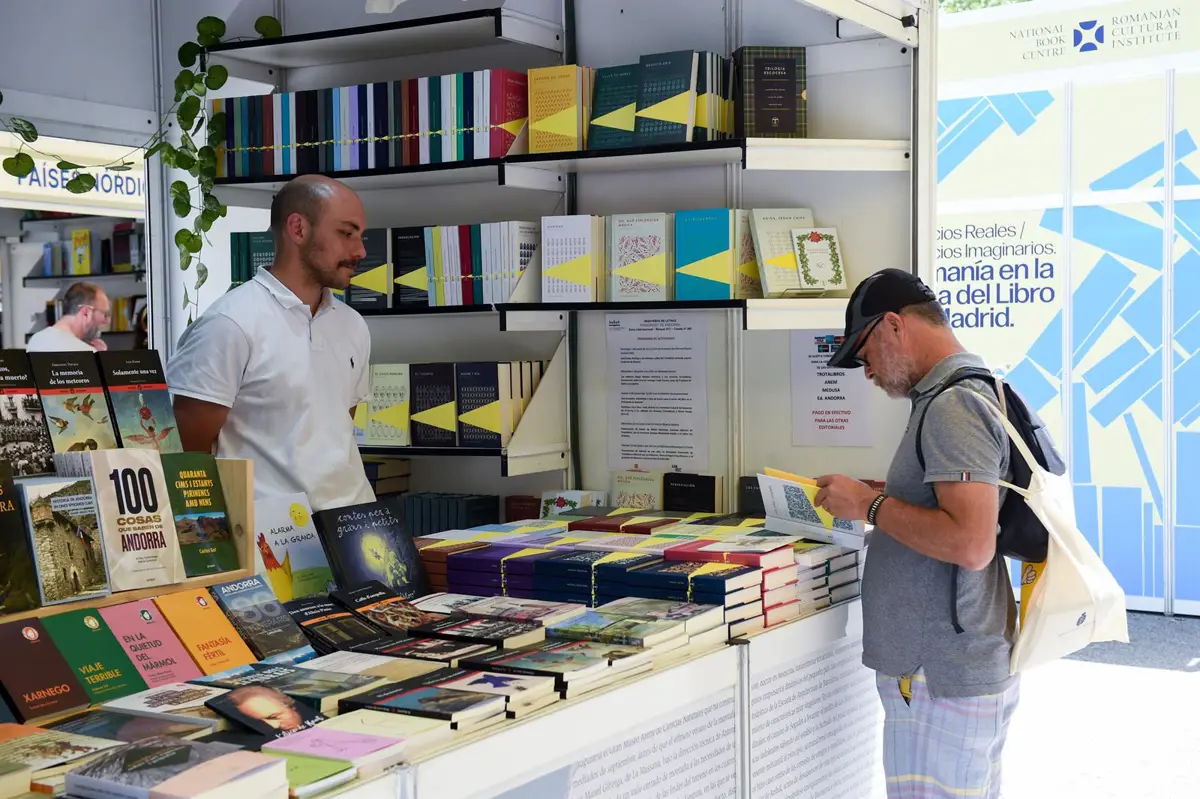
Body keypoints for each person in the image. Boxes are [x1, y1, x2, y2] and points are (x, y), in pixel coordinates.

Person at [814, 268, 1022, 799]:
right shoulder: (962, 392)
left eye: (864, 354)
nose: (866, 372)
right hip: (945, 665)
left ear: (892, 326)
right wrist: (886, 493)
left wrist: (870, 504)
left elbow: (972, 544)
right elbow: (960, 505)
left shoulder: (954, 405)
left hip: (940, 671)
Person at [166, 174, 374, 511]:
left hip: (353, 528)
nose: (360, 250)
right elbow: (187, 452)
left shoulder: (352, 324)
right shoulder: (230, 324)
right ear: (298, 229)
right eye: (346, 233)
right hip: (270, 543)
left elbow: (338, 430)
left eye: (360, 236)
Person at [26, 281, 110, 352]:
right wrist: (102, 358)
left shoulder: (35, 341)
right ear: (86, 313)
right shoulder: (87, 353)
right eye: (104, 314)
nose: (107, 321)